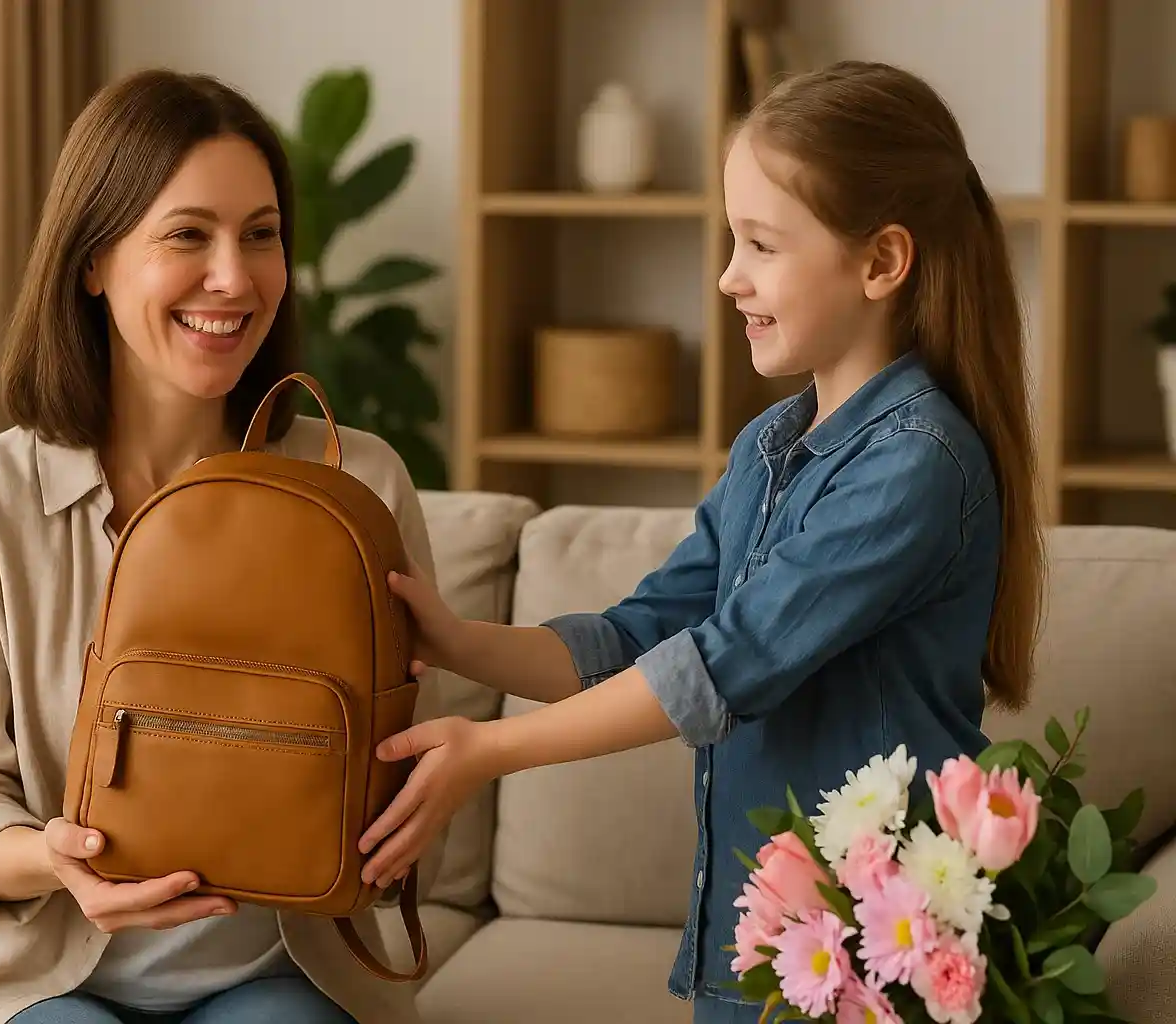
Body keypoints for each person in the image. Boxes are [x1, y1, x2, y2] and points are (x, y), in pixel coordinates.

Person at [355, 61, 1045, 1023]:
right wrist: (460, 642)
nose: (729, 276)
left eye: (761, 244)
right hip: (760, 948)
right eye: (734, 239)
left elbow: (721, 669)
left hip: (876, 959)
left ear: (883, 262)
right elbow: (641, 639)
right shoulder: (768, 447)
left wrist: (491, 750)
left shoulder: (918, 468)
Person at [0, 68, 442, 1024]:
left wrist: (409, 814)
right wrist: (52, 858)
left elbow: (418, 747)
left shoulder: (360, 487)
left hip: (278, 977)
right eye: (188, 234)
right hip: (33, 979)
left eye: (260, 235)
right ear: (92, 260)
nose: (235, 276)